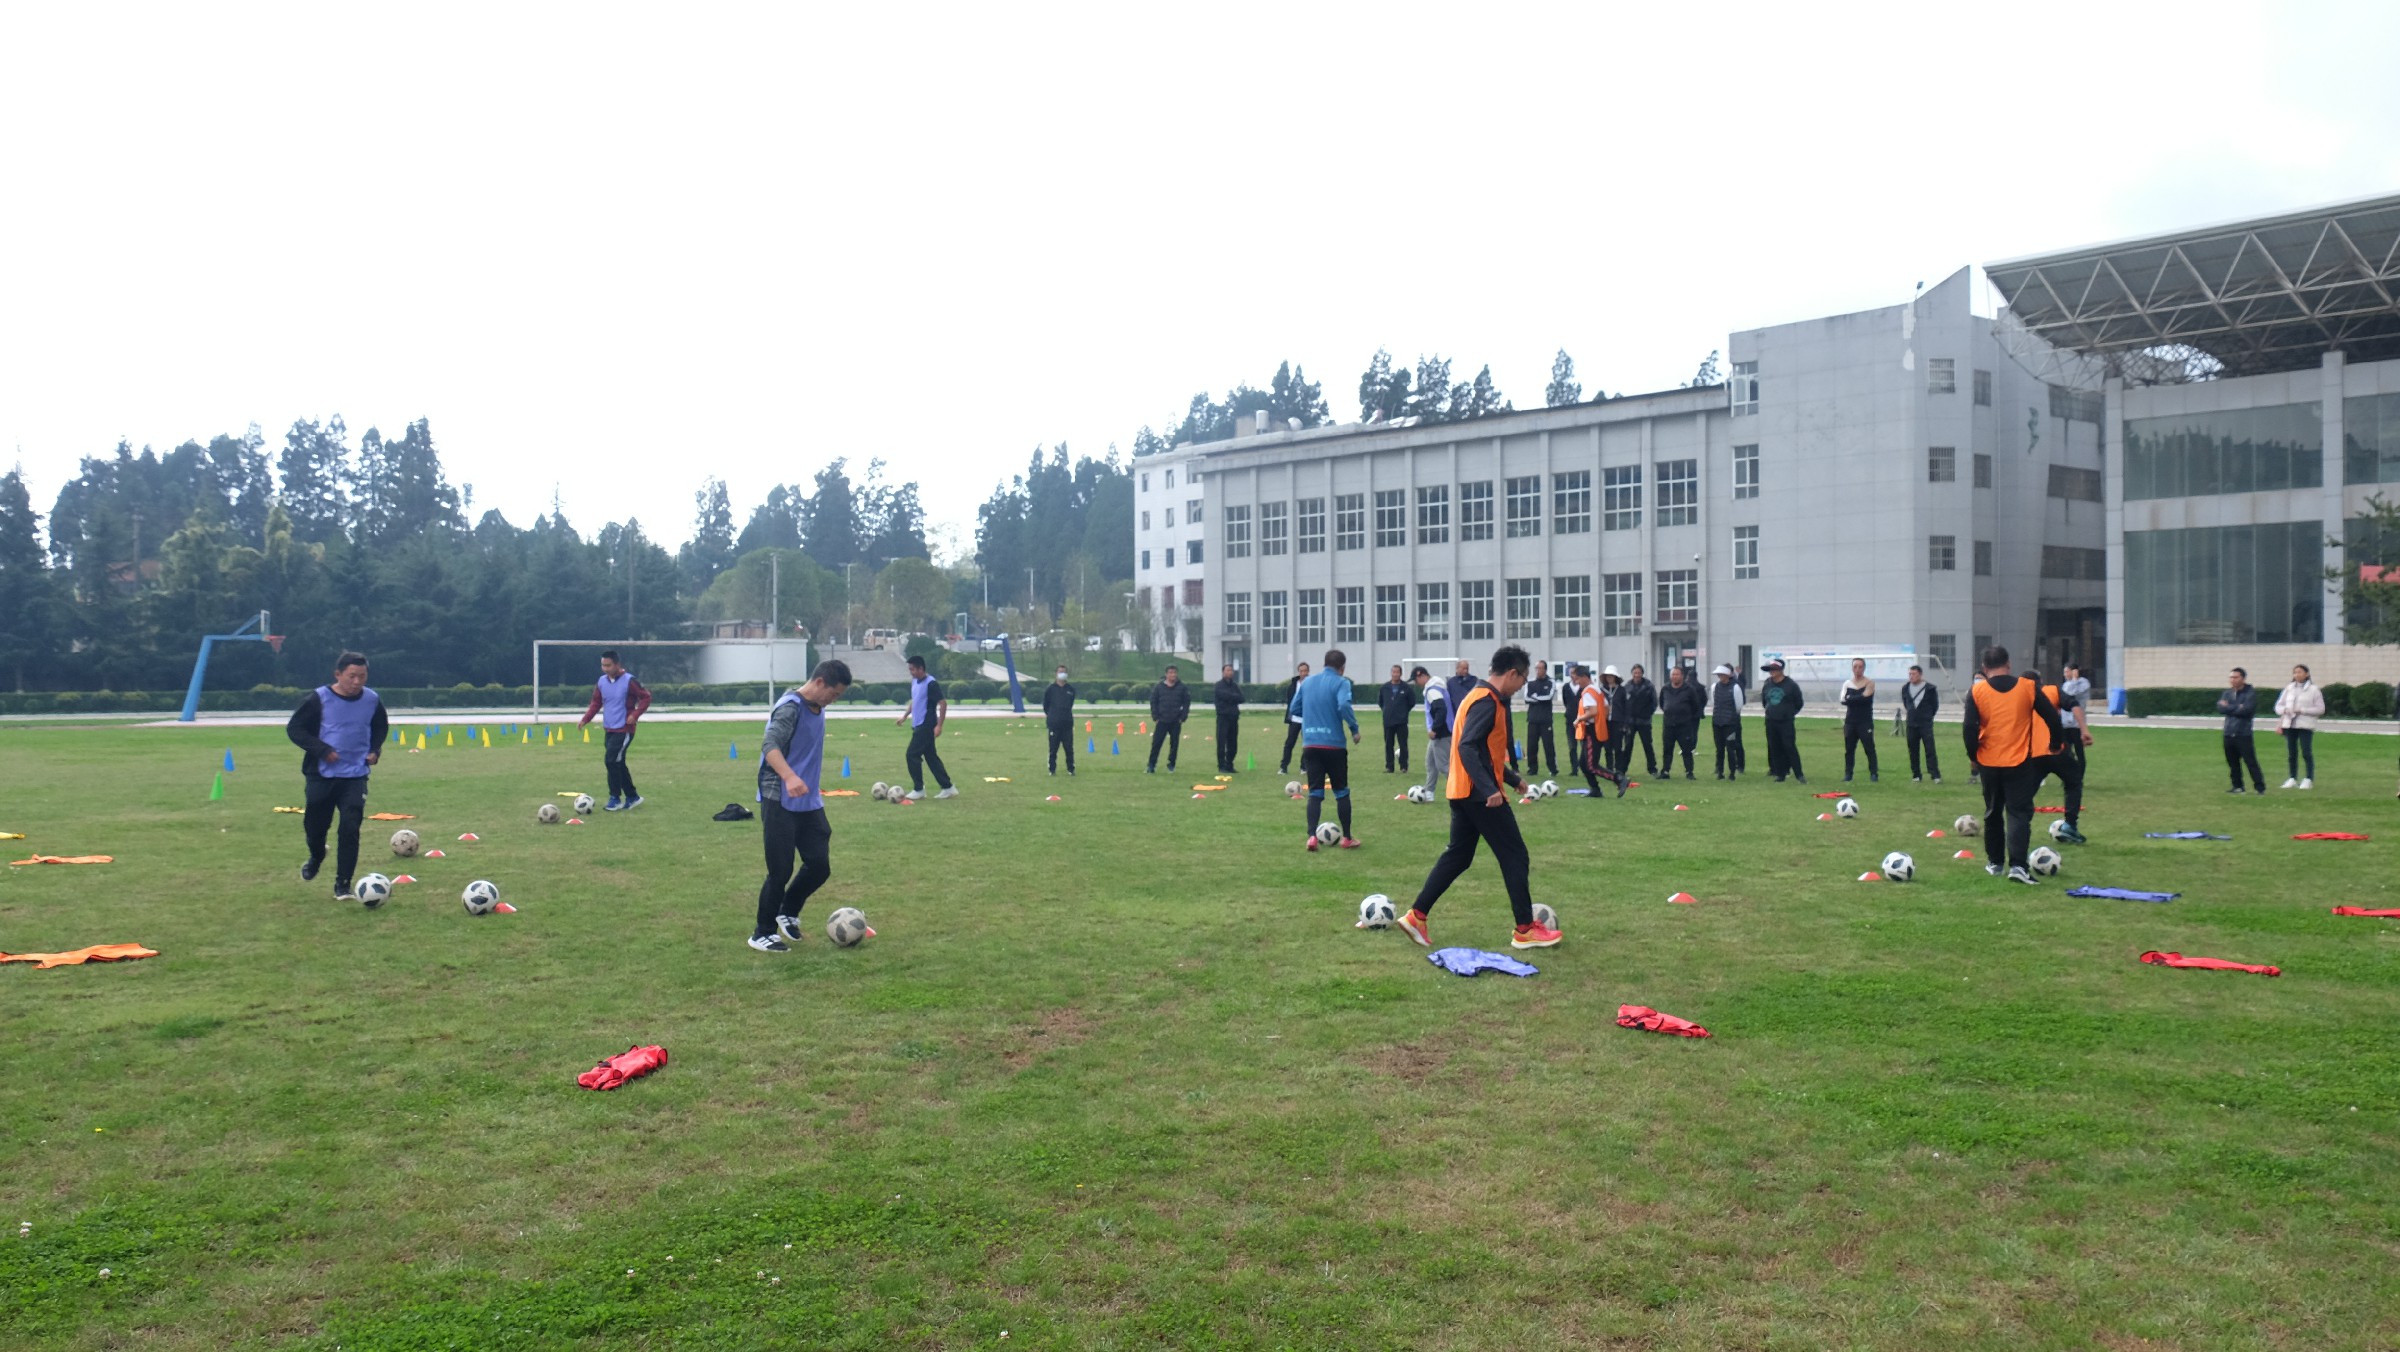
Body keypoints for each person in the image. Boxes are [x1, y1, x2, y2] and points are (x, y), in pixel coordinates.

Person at [1395, 644, 1564, 952]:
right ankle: (1525, 930)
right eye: (1522, 678)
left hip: (1462, 790)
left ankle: (1416, 916)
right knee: (1515, 855)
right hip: (1479, 795)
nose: (1522, 685)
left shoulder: (1478, 695)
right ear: (1511, 673)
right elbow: (1468, 747)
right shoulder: (1487, 701)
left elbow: (1486, 751)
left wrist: (1512, 779)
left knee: (1459, 856)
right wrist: (1490, 789)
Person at [749, 659, 853, 952]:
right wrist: (790, 776)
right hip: (779, 797)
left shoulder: (816, 706)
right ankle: (762, 933)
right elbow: (769, 746)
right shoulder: (790, 709)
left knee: (819, 865)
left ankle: (787, 911)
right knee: (780, 870)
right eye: (833, 694)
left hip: (808, 800)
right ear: (819, 682)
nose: (833, 700)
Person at [285, 650, 390, 902]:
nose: (357, 682)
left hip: (355, 774)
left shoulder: (372, 699)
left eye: (362, 676)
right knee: (316, 827)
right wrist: (322, 750)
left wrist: (375, 750)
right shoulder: (318, 699)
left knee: (350, 827)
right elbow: (295, 729)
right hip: (321, 775)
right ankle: (317, 855)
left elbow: (380, 726)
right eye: (352, 676)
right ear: (338, 674)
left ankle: (343, 885)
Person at [1960, 645, 2059, 885]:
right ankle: (2018, 866)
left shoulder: (1977, 691)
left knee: (1993, 812)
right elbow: (2051, 715)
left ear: (1984, 668)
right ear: (2009, 664)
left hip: (1988, 761)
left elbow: (1969, 727)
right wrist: (2056, 742)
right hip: (2019, 761)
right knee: (2018, 813)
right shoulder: (2027, 687)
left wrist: (1973, 755)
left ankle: (1995, 863)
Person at [1292, 649, 1363, 850]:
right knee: (1341, 792)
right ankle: (1347, 838)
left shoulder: (1307, 682)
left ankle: (1311, 837)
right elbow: (1344, 705)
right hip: (1333, 745)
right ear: (1342, 667)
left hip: (1310, 744)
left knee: (1315, 792)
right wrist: (1354, 729)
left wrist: (1313, 715)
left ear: (1324, 663)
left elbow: (1294, 708)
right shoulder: (1341, 682)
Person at [578, 649, 652, 810]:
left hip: (624, 729)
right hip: (609, 729)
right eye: (603, 665)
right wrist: (585, 719)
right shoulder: (601, 682)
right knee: (618, 763)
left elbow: (646, 697)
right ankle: (632, 796)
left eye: (608, 665)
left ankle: (615, 798)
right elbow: (596, 702)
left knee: (611, 760)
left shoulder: (629, 681)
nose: (605, 669)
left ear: (617, 665)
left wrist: (635, 714)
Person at [2028, 667, 2090, 844]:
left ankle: (2018, 826)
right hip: (2057, 749)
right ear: (2040, 681)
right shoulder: (2052, 691)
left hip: (2034, 754)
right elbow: (2075, 706)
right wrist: (2084, 730)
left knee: (2024, 794)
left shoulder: (2019, 696)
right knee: (2074, 782)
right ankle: (2070, 825)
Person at [895, 654, 956, 800]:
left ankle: (919, 789)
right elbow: (915, 701)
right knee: (931, 757)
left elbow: (943, 703)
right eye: (910, 669)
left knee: (912, 754)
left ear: (921, 668)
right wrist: (904, 716)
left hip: (926, 724)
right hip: (918, 724)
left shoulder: (931, 684)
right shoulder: (915, 682)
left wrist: (939, 725)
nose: (911, 672)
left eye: (913, 669)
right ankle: (948, 787)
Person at [1572, 664, 1628, 797]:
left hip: (1591, 731)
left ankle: (1619, 779)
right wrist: (1601, 721)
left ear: (1584, 677)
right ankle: (1595, 789)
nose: (1577, 682)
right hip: (1598, 729)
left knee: (1591, 765)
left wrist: (1579, 719)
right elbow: (1606, 707)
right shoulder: (1597, 690)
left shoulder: (1588, 692)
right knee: (1583, 763)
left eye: (1577, 679)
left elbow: (1593, 711)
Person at [2274, 663, 2324, 789]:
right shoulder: (2289, 688)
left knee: (2306, 752)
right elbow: (2278, 706)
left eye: (2300, 672)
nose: (2297, 675)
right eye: (2295, 672)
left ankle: (2308, 778)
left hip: (2305, 725)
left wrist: (2302, 710)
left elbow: (2320, 709)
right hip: (2289, 724)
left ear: (2306, 674)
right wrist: (2285, 710)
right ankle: (2292, 777)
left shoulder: (2313, 689)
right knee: (2292, 753)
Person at [2219, 667, 2266, 794]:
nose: (2232, 680)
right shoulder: (2227, 693)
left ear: (2243, 679)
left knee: (2250, 761)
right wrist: (2236, 707)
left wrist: (2229, 707)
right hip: (2228, 732)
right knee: (2232, 762)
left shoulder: (2249, 693)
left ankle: (2259, 787)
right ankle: (2237, 786)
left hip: (2243, 733)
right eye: (2231, 677)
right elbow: (2221, 708)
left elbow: (2246, 710)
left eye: (2235, 677)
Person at [1759, 658, 1806, 783]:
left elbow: (1799, 702)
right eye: (1770, 669)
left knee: (1789, 747)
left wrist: (1788, 713)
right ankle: (1780, 774)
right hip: (1771, 721)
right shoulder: (1767, 683)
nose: (1772, 672)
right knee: (1774, 747)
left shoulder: (1791, 685)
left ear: (1781, 670)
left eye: (1774, 669)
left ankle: (1799, 774)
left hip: (1786, 722)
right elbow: (1764, 700)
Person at [1657, 664, 1704, 779]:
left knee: (1686, 750)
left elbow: (1695, 705)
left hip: (1684, 725)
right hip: (1668, 725)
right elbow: (1662, 703)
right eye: (1673, 674)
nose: (1675, 677)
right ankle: (1665, 771)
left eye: (1677, 674)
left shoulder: (1689, 689)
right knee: (1667, 749)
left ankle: (1689, 772)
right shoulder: (1665, 688)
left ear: (1682, 676)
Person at [1839, 657, 1879, 784]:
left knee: (1869, 748)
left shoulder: (1869, 683)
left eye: (1860, 667)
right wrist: (1858, 698)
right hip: (1850, 722)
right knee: (1849, 749)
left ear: (1864, 668)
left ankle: (1874, 773)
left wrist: (1851, 698)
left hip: (1865, 721)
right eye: (1855, 666)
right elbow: (1843, 700)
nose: (1857, 669)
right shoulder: (1847, 683)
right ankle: (1848, 774)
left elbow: (1866, 697)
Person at [1900, 664, 1942, 783]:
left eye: (1914, 674)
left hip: (1925, 723)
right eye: (1910, 674)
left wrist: (1927, 716)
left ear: (1920, 674)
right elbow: (1906, 703)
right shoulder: (1905, 688)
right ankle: (1916, 774)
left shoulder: (1930, 689)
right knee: (1913, 749)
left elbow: (1935, 705)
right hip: (1911, 723)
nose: (1911, 676)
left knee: (1930, 749)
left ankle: (1935, 774)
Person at [1147, 664, 1191, 773]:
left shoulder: (1182, 687)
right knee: (1156, 743)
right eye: (1171, 673)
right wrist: (1155, 716)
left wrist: (1183, 717)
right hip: (1162, 720)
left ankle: (1171, 764)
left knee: (1174, 744)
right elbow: (1153, 702)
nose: (1173, 675)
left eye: (1174, 672)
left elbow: (1186, 703)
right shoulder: (1159, 687)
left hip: (1176, 720)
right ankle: (1151, 765)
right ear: (1166, 674)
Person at [1522, 660, 1559, 777]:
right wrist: (1538, 699)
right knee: (1532, 746)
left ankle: (1553, 769)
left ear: (1545, 670)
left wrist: (1536, 698)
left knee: (1548, 745)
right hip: (1532, 719)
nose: (1538, 671)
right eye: (1536, 668)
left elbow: (1548, 697)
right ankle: (1532, 769)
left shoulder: (1551, 682)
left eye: (1540, 668)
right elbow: (1526, 698)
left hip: (1546, 720)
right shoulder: (1530, 683)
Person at [1621, 664, 1659, 777]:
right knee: (1627, 746)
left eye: (1639, 673)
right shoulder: (1627, 686)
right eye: (1635, 673)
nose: (1637, 675)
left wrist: (1647, 713)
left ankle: (1652, 769)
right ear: (1632, 673)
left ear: (1642, 674)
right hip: (1630, 722)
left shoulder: (1649, 686)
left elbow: (1654, 702)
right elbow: (1623, 703)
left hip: (1644, 721)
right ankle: (1622, 769)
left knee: (1647, 745)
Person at [1709, 664, 1747, 779]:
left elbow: (1739, 706)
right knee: (1719, 748)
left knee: (1731, 748)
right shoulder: (1714, 687)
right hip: (1717, 722)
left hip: (1730, 723)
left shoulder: (1735, 687)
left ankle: (1732, 772)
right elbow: (1713, 702)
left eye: (1722, 674)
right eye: (1719, 675)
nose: (1720, 676)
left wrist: (1731, 716)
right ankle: (1720, 772)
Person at [1417, 665, 1450, 797]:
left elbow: (1441, 710)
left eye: (1416, 680)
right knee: (1430, 762)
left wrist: (1434, 729)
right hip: (1440, 732)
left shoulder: (1432, 690)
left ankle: (1464, 791)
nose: (1416, 684)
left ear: (1422, 676)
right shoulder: (1436, 687)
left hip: (1441, 733)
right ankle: (1429, 792)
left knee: (1443, 766)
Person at [1376, 663, 1415, 773]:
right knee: (1389, 744)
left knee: (1403, 744)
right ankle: (1389, 766)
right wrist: (1387, 711)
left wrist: (1403, 711)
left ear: (1401, 674)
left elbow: (1412, 702)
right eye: (1394, 672)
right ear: (1391, 673)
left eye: (1397, 672)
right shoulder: (1384, 688)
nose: (1395, 674)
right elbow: (1381, 702)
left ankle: (1403, 766)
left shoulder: (1406, 688)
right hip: (1388, 721)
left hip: (1401, 721)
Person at [1043, 664, 1078, 775]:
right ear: (1056, 674)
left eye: (1064, 672)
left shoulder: (1070, 689)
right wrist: (1052, 716)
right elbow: (1046, 706)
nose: (1062, 674)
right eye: (1060, 672)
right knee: (1053, 748)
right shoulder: (1050, 689)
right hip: (1054, 724)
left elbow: (1070, 704)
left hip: (1067, 724)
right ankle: (1052, 769)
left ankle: (1071, 769)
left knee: (1069, 748)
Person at [2059, 662, 2093, 776]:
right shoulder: (2066, 684)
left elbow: (2071, 694)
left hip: (2077, 724)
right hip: (2065, 724)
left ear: (2074, 671)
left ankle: (2079, 777)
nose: (2065, 674)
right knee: (2066, 751)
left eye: (2067, 671)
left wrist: (2074, 679)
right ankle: (2069, 775)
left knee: (2079, 752)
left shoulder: (2084, 683)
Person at [1277, 661, 1311, 773]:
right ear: (1298, 672)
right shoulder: (1293, 685)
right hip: (1295, 719)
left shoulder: (1312, 684)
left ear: (1308, 671)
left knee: (1307, 744)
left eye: (1305, 671)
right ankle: (1283, 767)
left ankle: (1304, 767)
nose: (1304, 673)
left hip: (1307, 719)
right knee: (1289, 743)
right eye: (1301, 671)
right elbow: (1290, 700)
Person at [1209, 663, 1244, 774]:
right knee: (1221, 742)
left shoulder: (1235, 685)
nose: (1230, 672)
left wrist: (1230, 697)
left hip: (1234, 717)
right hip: (1223, 717)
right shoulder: (1219, 685)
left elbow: (1241, 698)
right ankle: (1221, 765)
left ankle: (1229, 764)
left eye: (1231, 670)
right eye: (1227, 670)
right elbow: (1222, 696)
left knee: (1233, 743)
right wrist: (1233, 697)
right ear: (1223, 672)